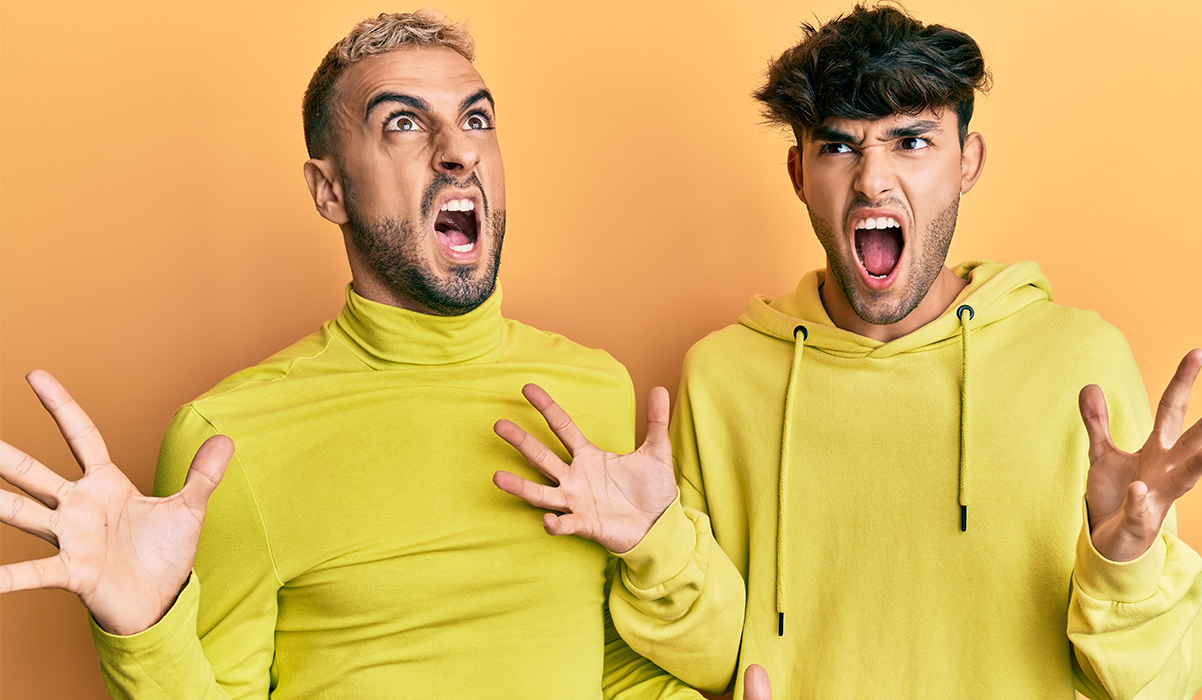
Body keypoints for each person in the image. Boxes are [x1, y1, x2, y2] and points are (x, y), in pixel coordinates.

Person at [492, 4, 1202, 698]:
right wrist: (656, 546)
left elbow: (1160, 687)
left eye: (910, 141)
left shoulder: (1081, 368)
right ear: (798, 174)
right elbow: (714, 657)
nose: (872, 179)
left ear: (967, 162)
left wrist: (1125, 565)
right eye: (838, 146)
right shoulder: (723, 377)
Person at [0, 10, 704, 698]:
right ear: (329, 190)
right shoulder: (230, 441)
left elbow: (610, 670)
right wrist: (146, 630)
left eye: (476, 118)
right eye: (403, 123)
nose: (458, 149)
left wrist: (659, 544)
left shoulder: (594, 391)